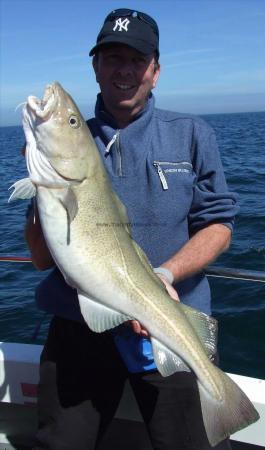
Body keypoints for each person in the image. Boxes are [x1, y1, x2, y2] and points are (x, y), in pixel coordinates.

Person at [25, 8, 238, 450]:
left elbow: (219, 226)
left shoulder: (192, 134)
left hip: (170, 321)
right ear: (96, 67)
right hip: (78, 331)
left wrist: (165, 276)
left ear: (156, 72)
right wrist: (43, 193)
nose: (124, 71)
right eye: (112, 58)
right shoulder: (76, 142)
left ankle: (221, 398)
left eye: (137, 60)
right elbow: (43, 258)